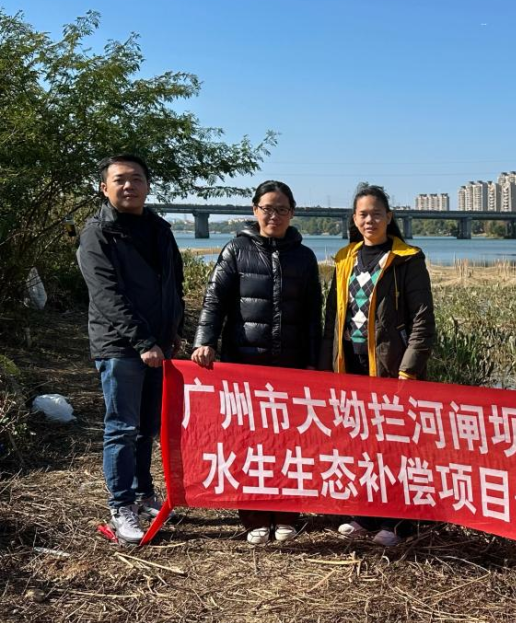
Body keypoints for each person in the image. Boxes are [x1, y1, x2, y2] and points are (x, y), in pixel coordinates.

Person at [191, 180, 322, 545]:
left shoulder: (304, 256)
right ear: (254, 210)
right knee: (247, 442)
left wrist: (314, 362)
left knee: (289, 443)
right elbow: (214, 300)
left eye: (281, 209)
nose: (273, 215)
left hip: (291, 366)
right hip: (245, 363)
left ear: (292, 213)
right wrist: (205, 342)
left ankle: (287, 514)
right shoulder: (236, 249)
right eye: (267, 208)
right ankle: (254, 516)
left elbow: (314, 315)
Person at [77, 154, 185, 545]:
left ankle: (143, 494)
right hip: (120, 346)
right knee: (122, 428)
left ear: (148, 186)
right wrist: (142, 341)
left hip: (158, 345)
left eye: (136, 178)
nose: (129, 186)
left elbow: (174, 282)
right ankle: (121, 505)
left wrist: (174, 331)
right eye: (120, 179)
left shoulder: (159, 229)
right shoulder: (97, 234)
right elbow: (107, 295)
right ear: (104, 187)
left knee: (146, 428)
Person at [320, 184, 435, 547]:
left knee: (396, 445)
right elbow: (332, 318)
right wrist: (326, 366)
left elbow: (423, 320)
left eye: (376, 213)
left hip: (391, 368)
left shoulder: (406, 259)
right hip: (351, 365)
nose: (369, 220)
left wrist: (409, 370)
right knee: (360, 443)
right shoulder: (345, 259)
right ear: (354, 219)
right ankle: (365, 514)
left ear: (389, 217)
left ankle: (398, 522)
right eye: (363, 214)